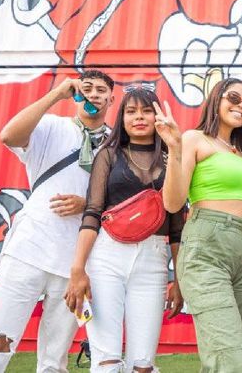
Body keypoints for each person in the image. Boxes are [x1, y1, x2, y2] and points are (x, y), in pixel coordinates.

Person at [0, 70, 115, 373]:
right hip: (28, 250)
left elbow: (124, 199)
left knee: (54, 359)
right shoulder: (51, 126)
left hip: (77, 263)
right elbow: (8, 136)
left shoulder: (117, 145)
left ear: (111, 100)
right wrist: (56, 94)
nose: (94, 94)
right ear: (77, 94)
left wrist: (87, 204)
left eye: (101, 90)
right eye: (87, 88)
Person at [63, 87, 185, 373]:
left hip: (154, 260)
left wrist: (180, 279)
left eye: (147, 111)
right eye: (131, 111)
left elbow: (177, 226)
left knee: (143, 364)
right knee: (106, 360)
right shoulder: (108, 155)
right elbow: (92, 213)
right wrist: (77, 269)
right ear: (121, 117)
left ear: (158, 116)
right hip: (106, 257)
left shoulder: (172, 158)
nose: (139, 117)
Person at [159, 78, 242, 372]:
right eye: (233, 98)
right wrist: (175, 149)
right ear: (216, 99)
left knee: (228, 354)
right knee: (232, 360)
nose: (241, 106)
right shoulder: (194, 139)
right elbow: (173, 203)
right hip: (206, 249)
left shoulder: (239, 152)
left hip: (239, 252)